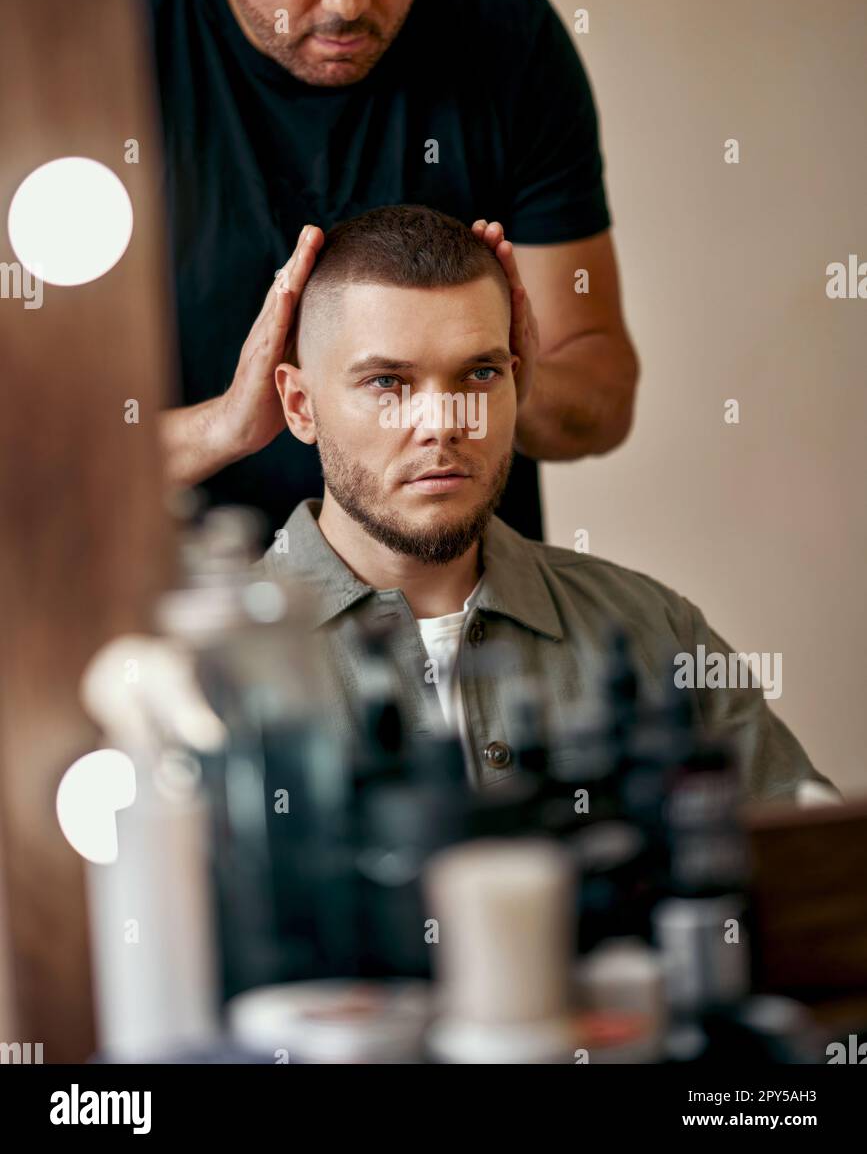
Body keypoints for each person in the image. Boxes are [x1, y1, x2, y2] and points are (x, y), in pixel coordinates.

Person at [125, 0, 639, 543]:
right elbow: (31, 448)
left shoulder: (510, 43)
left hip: (459, 619)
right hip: (194, 615)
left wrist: (498, 387)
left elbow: (602, 398)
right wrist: (228, 424)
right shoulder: (99, 60)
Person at [258, 203, 838, 802]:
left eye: (478, 375)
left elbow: (817, 867)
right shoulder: (213, 676)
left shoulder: (654, 629)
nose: (442, 425)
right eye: (387, 383)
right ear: (301, 405)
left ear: (517, 381)